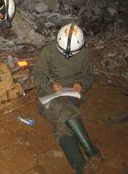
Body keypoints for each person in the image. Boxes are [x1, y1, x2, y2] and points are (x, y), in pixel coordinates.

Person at [32, 23, 103, 174]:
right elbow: (36, 75)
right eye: (63, 52)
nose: (67, 55)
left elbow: (89, 76)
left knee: (62, 125)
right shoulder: (49, 52)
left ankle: (81, 167)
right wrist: (51, 86)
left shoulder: (83, 54)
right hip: (49, 93)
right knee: (63, 110)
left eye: (72, 53)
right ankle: (90, 151)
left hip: (72, 93)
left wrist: (81, 84)